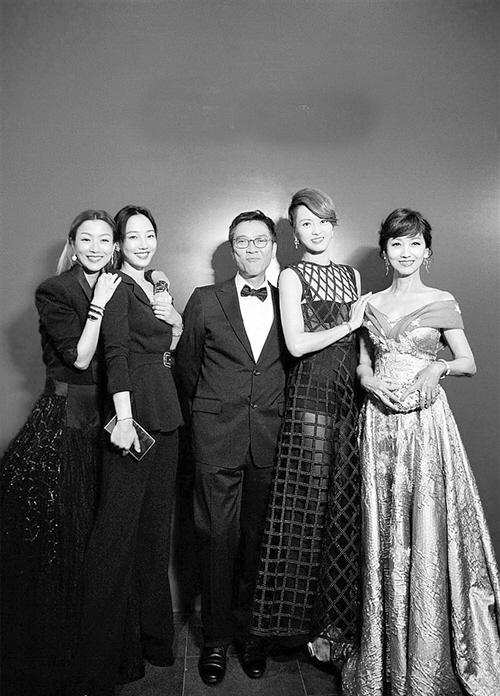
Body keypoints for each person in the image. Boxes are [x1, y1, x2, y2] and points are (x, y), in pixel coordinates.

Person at [338, 208, 500, 695]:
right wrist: (369, 382)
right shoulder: (367, 304)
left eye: (414, 244)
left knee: (424, 527)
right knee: (383, 531)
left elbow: (468, 361)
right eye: (396, 243)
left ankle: (427, 659)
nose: (405, 252)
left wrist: (438, 368)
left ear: (427, 252)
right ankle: (386, 656)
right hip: (380, 424)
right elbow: (363, 363)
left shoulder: (441, 300)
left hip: (425, 426)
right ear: (384, 252)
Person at [1, 210, 121, 696]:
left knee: (98, 534)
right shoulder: (55, 290)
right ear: (72, 243)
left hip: (104, 421)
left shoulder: (118, 283)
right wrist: (100, 305)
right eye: (86, 239)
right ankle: (60, 654)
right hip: (65, 422)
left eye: (104, 240)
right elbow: (80, 357)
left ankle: (92, 647)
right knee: (63, 535)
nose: (95, 248)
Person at [251, 188, 370, 664]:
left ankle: (333, 626)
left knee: (344, 505)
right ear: (295, 234)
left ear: (333, 225)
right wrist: (348, 325)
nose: (316, 230)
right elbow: (297, 345)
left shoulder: (352, 275)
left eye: (322, 221)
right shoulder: (291, 276)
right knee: (310, 505)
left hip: (350, 396)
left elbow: (361, 346)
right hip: (311, 396)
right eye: (306, 223)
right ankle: (291, 627)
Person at [72, 205, 183, 694]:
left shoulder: (154, 284)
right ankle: (98, 662)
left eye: (149, 234)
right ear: (118, 243)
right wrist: (122, 419)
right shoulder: (115, 285)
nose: (143, 243)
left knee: (155, 536)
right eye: (132, 236)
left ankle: (151, 642)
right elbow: (114, 354)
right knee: (116, 538)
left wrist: (173, 317)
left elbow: (166, 348)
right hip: (134, 421)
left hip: (166, 415)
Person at [175, 210, 288, 685]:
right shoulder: (205, 300)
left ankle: (253, 636)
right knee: (216, 539)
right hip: (215, 438)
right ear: (232, 248)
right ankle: (216, 640)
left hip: (270, 439)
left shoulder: (289, 300)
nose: (252, 249)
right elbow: (186, 370)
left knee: (261, 542)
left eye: (260, 241)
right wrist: (208, 419)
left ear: (273, 247)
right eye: (242, 241)